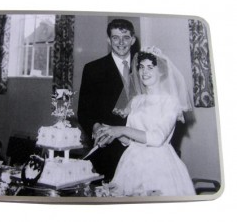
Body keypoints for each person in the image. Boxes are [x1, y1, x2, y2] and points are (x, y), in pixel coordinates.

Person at [95, 46, 196, 196]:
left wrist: (121, 130)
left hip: (159, 165)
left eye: (150, 67)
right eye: (141, 67)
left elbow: (156, 139)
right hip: (131, 162)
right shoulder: (136, 101)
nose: (144, 72)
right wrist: (111, 133)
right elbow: (128, 141)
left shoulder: (170, 102)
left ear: (161, 71)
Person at [78, 19, 137, 182]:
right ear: (109, 40)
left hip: (141, 148)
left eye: (126, 37)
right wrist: (96, 127)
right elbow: (84, 112)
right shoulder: (93, 69)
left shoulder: (144, 67)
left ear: (133, 39)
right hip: (108, 151)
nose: (121, 42)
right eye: (116, 37)